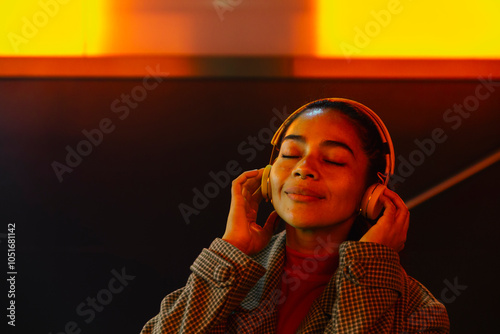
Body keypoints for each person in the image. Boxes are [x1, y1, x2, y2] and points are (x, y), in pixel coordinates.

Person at [141, 98, 450, 333]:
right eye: (290, 154)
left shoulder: (417, 312)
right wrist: (231, 249)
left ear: (372, 192)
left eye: (333, 160)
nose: (303, 168)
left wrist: (369, 270)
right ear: (267, 178)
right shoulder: (228, 277)